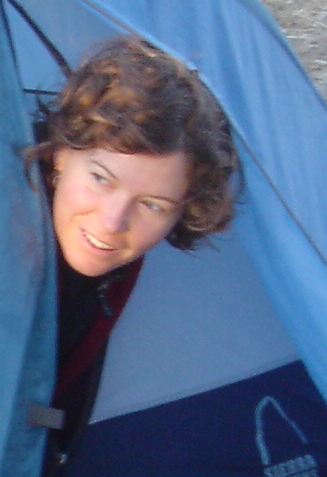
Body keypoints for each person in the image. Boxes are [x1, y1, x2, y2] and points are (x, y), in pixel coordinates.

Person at [27, 35, 239, 454]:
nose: (112, 222)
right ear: (61, 153)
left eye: (153, 205)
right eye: (100, 179)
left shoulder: (110, 271)